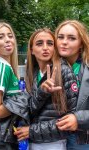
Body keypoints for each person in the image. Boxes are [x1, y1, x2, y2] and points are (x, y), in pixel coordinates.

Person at [14, 28, 78, 150]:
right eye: (39, 43)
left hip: (53, 144)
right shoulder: (33, 73)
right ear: (32, 50)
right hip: (31, 142)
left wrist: (32, 131)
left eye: (50, 43)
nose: (45, 47)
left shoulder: (64, 71)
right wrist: (42, 92)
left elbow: (71, 122)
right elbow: (30, 110)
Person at [0, 21, 29, 150]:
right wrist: (24, 101)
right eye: (1, 37)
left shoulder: (6, 67)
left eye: (10, 35)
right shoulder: (1, 67)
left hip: (2, 132)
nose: (7, 40)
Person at [55, 20, 89, 150]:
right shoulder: (47, 66)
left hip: (81, 140)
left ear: (81, 44)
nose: (64, 42)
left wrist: (79, 119)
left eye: (72, 38)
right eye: (60, 37)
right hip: (53, 138)